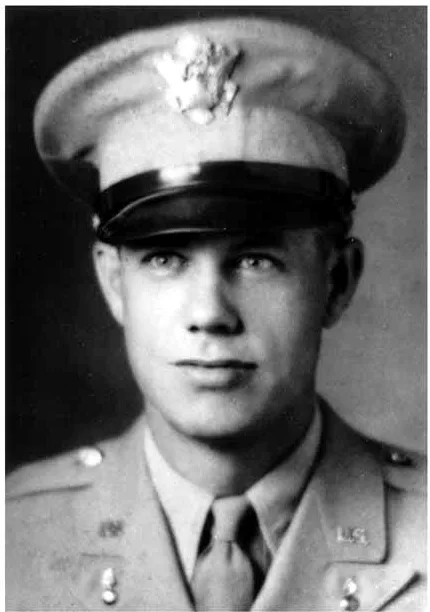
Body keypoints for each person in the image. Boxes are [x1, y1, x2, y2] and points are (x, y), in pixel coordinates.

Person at [6, 16, 426, 611]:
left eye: (257, 260)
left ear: (337, 282)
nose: (209, 314)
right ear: (114, 281)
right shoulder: (16, 541)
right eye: (165, 258)